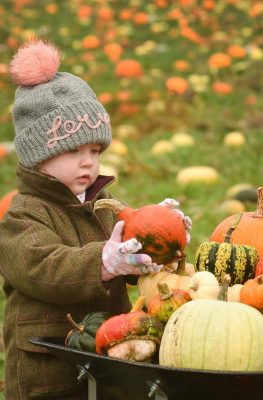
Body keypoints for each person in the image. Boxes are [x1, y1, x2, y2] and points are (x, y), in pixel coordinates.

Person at [0, 40, 191, 399]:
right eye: (73, 151)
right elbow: (41, 267)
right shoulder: (22, 214)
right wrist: (102, 261)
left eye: (94, 150)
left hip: (107, 360)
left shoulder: (103, 203)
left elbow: (130, 255)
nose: (88, 161)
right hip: (48, 369)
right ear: (39, 156)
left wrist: (163, 238)